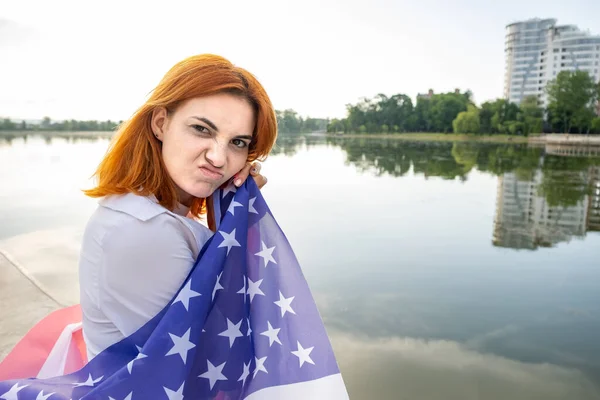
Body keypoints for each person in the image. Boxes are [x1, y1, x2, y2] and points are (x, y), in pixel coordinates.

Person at [78, 54, 278, 361]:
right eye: (201, 129)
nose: (218, 158)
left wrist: (234, 209)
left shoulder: (152, 208)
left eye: (238, 143)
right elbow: (214, 361)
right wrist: (245, 221)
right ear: (161, 123)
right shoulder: (144, 230)